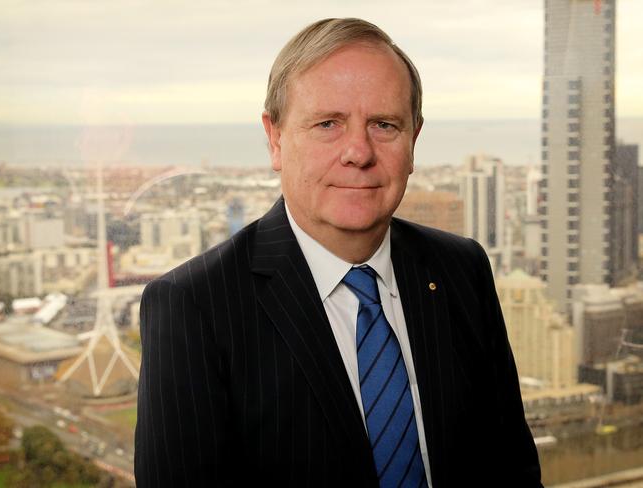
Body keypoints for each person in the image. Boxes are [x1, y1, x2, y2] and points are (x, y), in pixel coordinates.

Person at [135, 17, 542, 487]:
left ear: (414, 141)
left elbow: (512, 467)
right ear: (275, 139)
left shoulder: (460, 268)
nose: (358, 151)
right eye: (328, 124)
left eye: (384, 125)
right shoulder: (194, 305)